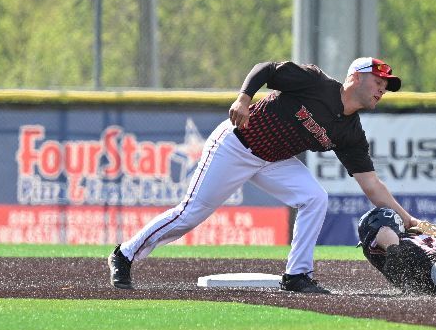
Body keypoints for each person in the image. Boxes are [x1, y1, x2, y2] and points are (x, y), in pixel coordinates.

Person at [107, 57, 419, 294]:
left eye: (386, 86)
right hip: (236, 144)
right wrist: (243, 98)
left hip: (273, 160)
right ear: (356, 76)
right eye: (379, 81)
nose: (382, 89)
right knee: (189, 215)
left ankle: (297, 275)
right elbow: (267, 69)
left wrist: (407, 219)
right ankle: (125, 254)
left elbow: (371, 184)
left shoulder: (350, 132)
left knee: (315, 198)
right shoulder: (316, 83)